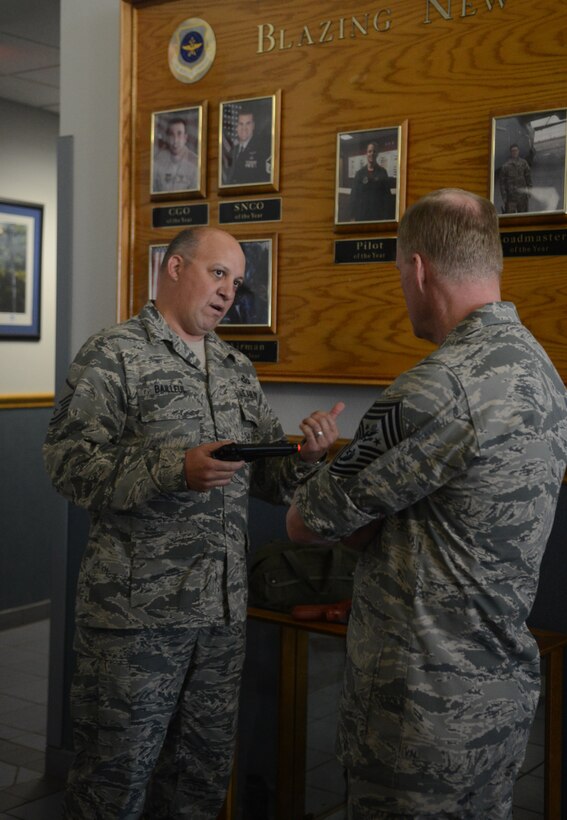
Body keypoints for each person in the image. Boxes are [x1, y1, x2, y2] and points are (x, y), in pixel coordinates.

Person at [43, 226, 344, 819]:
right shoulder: (115, 353)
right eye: (218, 273)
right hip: (135, 622)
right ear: (174, 268)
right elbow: (67, 465)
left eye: (238, 280)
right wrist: (172, 469)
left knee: (198, 787)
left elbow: (266, 478)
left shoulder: (234, 366)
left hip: (220, 620)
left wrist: (305, 457)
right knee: (113, 785)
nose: (230, 291)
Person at [287, 189, 567, 819]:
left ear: (417, 268)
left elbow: (306, 523)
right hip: (498, 693)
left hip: (419, 711)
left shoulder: (434, 386)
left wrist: (324, 482)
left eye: (398, 276)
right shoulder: (541, 370)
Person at [349, 141, 396, 222]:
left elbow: (387, 197)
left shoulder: (383, 172)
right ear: (366, 153)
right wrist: (352, 216)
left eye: (374, 151)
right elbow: (354, 196)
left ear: (377, 154)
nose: (372, 153)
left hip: (378, 216)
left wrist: (387, 217)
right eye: (370, 151)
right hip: (361, 215)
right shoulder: (359, 174)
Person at [225, 109, 270, 185]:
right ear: (237, 127)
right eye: (241, 124)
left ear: (253, 126)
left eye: (248, 124)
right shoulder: (233, 150)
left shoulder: (262, 149)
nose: (244, 128)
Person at [153, 117, 198, 193]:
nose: (175, 140)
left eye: (179, 134)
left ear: (185, 138)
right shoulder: (157, 161)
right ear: (167, 138)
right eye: (171, 134)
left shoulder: (196, 162)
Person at [499, 143, 532, 213]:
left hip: (522, 197)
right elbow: (502, 183)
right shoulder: (505, 166)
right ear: (511, 152)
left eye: (516, 150)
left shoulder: (524, 163)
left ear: (518, 151)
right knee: (510, 219)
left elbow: (528, 177)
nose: (515, 152)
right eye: (513, 151)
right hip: (510, 198)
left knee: (524, 217)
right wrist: (504, 197)